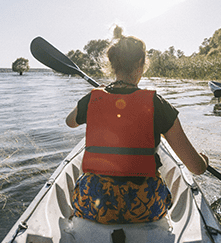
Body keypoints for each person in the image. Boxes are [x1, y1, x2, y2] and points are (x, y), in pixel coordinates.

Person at [65, 28, 209, 225]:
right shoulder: (157, 103)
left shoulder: (93, 98)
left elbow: (70, 122)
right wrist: (203, 161)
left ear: (112, 65)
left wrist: (93, 98)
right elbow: (196, 168)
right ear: (141, 64)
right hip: (145, 208)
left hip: (93, 205)